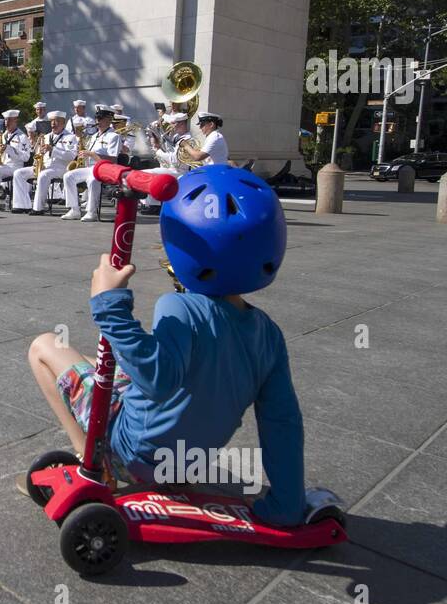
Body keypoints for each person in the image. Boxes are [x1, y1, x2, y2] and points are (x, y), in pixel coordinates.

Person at [26, 165, 307, 526]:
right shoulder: (268, 334)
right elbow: (281, 422)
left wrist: (109, 304)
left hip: (134, 453)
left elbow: (158, 379)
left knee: (44, 346)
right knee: (95, 366)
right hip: (186, 462)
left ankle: (92, 464)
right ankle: (112, 460)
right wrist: (287, 502)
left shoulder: (179, 307)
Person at [61, 107, 122, 222]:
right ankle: (74, 210)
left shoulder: (114, 136)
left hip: (105, 168)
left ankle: (92, 212)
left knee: (92, 180)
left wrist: (92, 154)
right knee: (68, 176)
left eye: (101, 119)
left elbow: (113, 159)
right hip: (91, 167)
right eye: (97, 118)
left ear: (109, 120)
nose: (97, 121)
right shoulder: (94, 136)